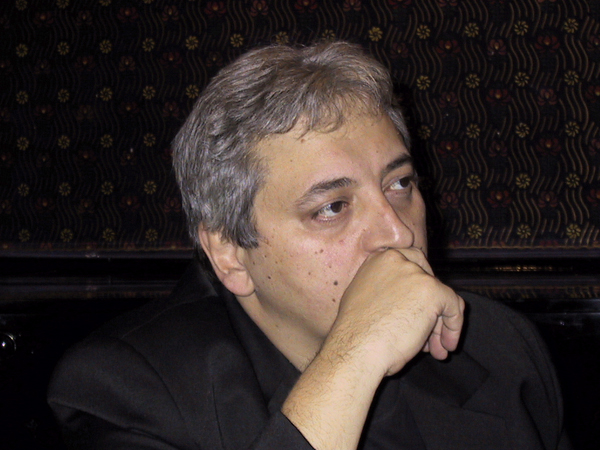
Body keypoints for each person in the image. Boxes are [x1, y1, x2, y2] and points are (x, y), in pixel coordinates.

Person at [48, 41, 570, 449]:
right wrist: (354, 356)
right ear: (229, 252)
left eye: (400, 184)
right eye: (332, 208)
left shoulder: (499, 345)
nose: (398, 233)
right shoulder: (131, 388)